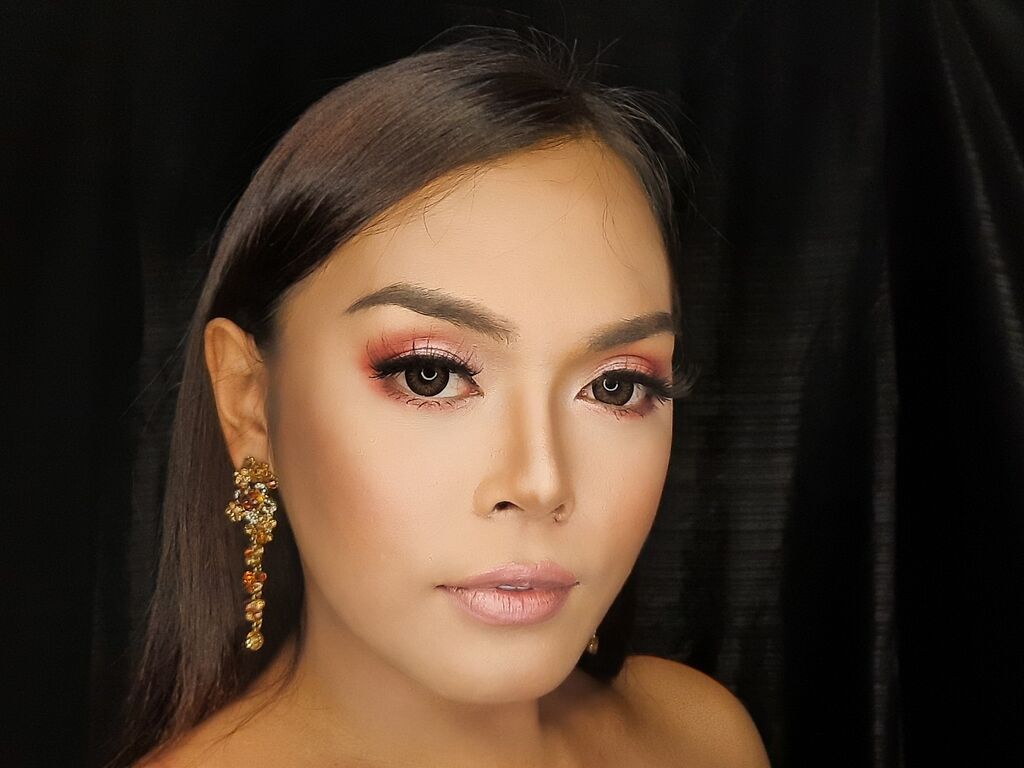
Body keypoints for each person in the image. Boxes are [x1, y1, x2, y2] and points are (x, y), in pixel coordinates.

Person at [117, 30, 771, 768]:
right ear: (248, 402)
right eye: (430, 375)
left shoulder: (699, 738)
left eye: (615, 386)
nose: (540, 483)